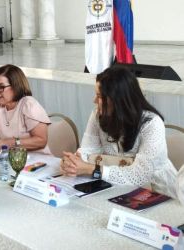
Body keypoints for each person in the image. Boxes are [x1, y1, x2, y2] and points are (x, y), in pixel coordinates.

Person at [61, 65, 177, 198]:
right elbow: (89, 150)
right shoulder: (97, 115)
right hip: (117, 189)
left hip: (159, 192)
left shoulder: (152, 123)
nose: (94, 101)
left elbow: (139, 175)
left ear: (118, 99)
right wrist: (73, 161)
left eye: (100, 96)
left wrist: (91, 169)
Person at [0, 64, 51, 153]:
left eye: (1, 87)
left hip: (38, 162)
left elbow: (41, 141)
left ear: (15, 86)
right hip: (14, 161)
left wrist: (12, 142)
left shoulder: (28, 104)